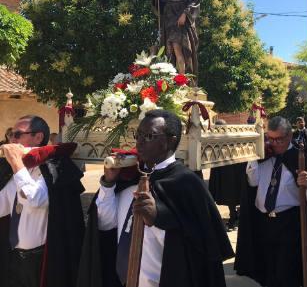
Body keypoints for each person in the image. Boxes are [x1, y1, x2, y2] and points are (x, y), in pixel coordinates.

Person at [78, 110, 233, 287]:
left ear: (171, 140)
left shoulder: (187, 183)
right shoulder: (128, 178)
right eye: (139, 134)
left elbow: (201, 249)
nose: (140, 141)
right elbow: (106, 225)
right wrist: (108, 184)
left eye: (150, 135)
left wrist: (159, 217)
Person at [0, 115, 85, 287]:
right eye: (10, 134)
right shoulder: (14, 171)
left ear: (38, 137)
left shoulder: (54, 166)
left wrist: (17, 164)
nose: (12, 140)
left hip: (42, 259)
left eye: (17, 135)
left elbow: (35, 200)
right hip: (13, 256)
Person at [235, 117, 307, 287]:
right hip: (263, 221)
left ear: (289, 136)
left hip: (288, 221)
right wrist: (253, 158)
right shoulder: (264, 155)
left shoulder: (299, 157)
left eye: (279, 139)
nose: (274, 143)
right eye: (270, 138)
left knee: (285, 271)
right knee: (265, 269)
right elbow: (252, 184)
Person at [152, 0, 205, 76]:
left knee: (180, 49)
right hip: (169, 18)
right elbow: (162, 4)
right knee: (169, 50)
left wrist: (185, 14)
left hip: (180, 17)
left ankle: (183, 80)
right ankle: (173, 79)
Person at [209, 119, 245, 231]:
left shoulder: (231, 138)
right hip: (224, 170)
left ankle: (234, 219)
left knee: (232, 196)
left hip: (232, 170)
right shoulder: (217, 137)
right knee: (230, 197)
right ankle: (233, 216)